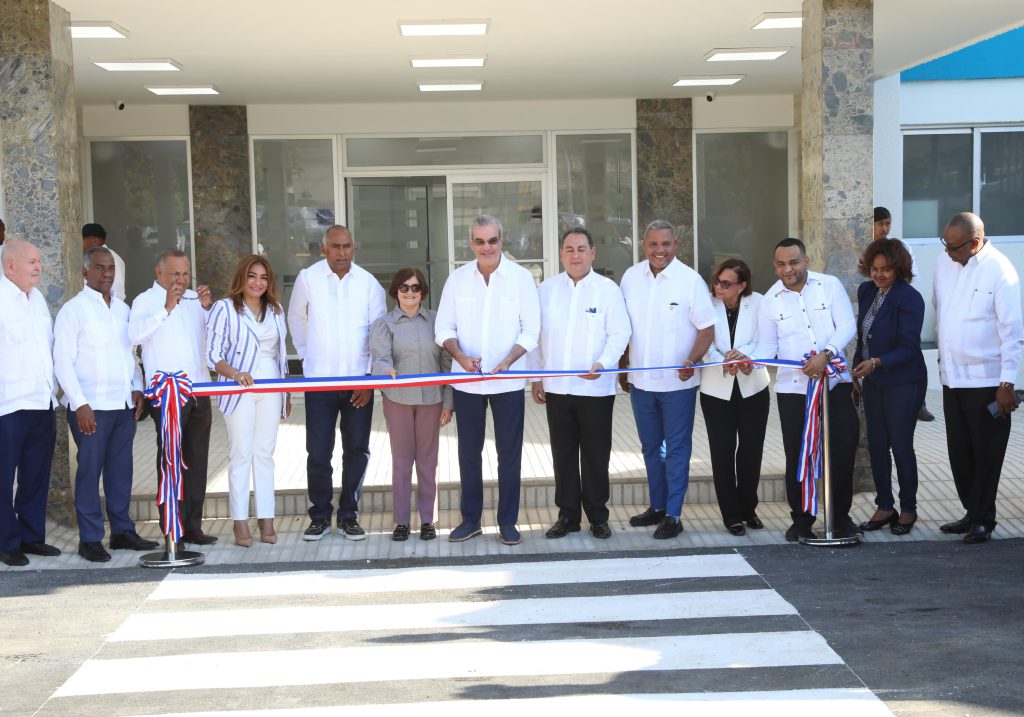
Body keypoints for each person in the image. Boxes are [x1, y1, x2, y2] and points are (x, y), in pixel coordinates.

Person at [435, 215, 541, 546]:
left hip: (507, 383)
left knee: (509, 454)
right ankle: (470, 520)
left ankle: (508, 522)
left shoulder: (521, 278)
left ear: (501, 240)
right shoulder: (457, 280)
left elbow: (531, 330)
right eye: (480, 241)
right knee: (468, 453)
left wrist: (509, 361)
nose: (487, 247)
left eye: (492, 240)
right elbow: (443, 328)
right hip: (466, 383)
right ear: (471, 243)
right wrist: (459, 356)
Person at [54, 246, 158, 562]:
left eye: (111, 268)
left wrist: (137, 388)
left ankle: (122, 532)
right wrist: (80, 404)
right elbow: (62, 362)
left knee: (120, 472)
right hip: (91, 408)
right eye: (100, 268)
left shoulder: (123, 310)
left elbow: (130, 355)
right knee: (89, 473)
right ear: (85, 272)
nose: (107, 274)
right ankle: (90, 539)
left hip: (122, 406)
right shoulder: (73, 310)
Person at [754, 237, 860, 542]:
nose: (788, 269)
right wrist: (748, 361)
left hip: (834, 384)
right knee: (798, 453)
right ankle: (802, 519)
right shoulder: (770, 300)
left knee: (842, 448)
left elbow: (847, 326)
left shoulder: (829, 285)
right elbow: (767, 346)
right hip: (793, 390)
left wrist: (826, 354)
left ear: (806, 261)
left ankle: (840, 517)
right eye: (781, 264)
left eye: (794, 262)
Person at [529, 228, 631, 540]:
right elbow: (534, 337)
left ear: (592, 253)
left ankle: (598, 516)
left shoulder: (607, 290)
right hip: (557, 388)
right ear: (561, 254)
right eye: (569, 249)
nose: (575, 255)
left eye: (581, 249)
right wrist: (536, 377)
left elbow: (620, 333)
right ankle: (568, 516)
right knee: (563, 455)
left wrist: (604, 363)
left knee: (596, 455)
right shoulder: (546, 290)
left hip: (595, 389)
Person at [619, 220, 716, 539]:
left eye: (666, 244)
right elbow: (623, 328)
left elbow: (707, 329)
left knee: (676, 449)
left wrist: (693, 360)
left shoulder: (690, 281)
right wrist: (622, 365)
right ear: (643, 245)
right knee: (650, 448)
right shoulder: (630, 278)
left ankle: (674, 514)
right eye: (653, 244)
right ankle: (658, 506)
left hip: (678, 385)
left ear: (675, 245)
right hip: (641, 383)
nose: (659, 250)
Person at [288, 225, 385, 542]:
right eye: (335, 246)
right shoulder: (308, 278)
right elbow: (296, 319)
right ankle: (319, 517)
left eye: (347, 246)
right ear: (323, 248)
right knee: (318, 452)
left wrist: (368, 379)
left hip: (359, 382)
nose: (342, 252)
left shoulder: (369, 283)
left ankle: (348, 516)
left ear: (354, 248)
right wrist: (306, 356)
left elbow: (378, 333)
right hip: (320, 382)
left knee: (357, 450)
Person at [934, 212, 1023, 544]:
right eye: (944, 243)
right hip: (952, 378)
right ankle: (972, 512)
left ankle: (984, 518)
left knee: (987, 453)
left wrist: (1007, 383)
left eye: (953, 246)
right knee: (960, 453)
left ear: (975, 243)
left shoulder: (1000, 270)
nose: (946, 251)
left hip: (987, 382)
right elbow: (940, 310)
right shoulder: (944, 264)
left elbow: (1012, 333)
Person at [128, 248, 215, 545]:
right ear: (159, 272)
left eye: (185, 273)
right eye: (175, 273)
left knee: (198, 459)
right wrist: (165, 308)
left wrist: (207, 309)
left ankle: (193, 527)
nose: (181, 279)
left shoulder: (192, 299)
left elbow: (210, 338)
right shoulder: (145, 301)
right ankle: (171, 529)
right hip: (166, 394)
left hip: (199, 389)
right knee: (170, 461)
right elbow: (134, 336)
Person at [206, 255, 290, 547]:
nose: (257, 282)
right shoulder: (224, 308)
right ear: (242, 277)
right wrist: (235, 374)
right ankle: (239, 520)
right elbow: (212, 354)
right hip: (238, 386)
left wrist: (285, 393)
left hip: (272, 385)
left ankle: (266, 517)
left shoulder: (276, 309)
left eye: (263, 277)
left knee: (264, 453)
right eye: (252, 276)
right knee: (241, 453)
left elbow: (281, 354)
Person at [370, 268, 453, 542]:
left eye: (415, 288)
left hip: (432, 400)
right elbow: (380, 358)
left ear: (423, 292)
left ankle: (428, 520)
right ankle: (402, 521)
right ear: (396, 291)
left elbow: (447, 364)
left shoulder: (437, 321)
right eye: (404, 287)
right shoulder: (384, 324)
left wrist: (449, 402)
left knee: (428, 461)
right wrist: (385, 369)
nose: (409, 292)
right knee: (402, 460)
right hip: (398, 400)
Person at [850, 239, 927, 536]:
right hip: (874, 380)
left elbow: (909, 347)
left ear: (899, 268)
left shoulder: (910, 298)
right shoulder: (866, 291)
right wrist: (857, 370)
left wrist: (877, 362)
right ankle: (884, 506)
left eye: (886, 269)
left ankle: (908, 509)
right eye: (874, 269)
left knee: (901, 445)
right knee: (877, 444)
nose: (878, 275)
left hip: (904, 381)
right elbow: (863, 336)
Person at [698, 259, 771, 536]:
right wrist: (722, 361)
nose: (719, 287)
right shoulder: (707, 303)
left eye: (726, 283)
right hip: (716, 390)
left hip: (753, 386)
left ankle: (748, 508)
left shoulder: (759, 302)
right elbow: (704, 342)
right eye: (717, 281)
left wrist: (746, 356)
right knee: (722, 451)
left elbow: (765, 339)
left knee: (751, 450)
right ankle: (731, 515)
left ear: (742, 286)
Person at [0, 239, 59, 567]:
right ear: (11, 266)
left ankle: (31, 537)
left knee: (35, 475)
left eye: (39, 261)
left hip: (40, 400)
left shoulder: (37, 299)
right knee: (2, 478)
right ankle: (6, 542)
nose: (39, 266)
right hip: (7, 405)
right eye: (32, 262)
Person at [873, 207, 932, 421]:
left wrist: (893, 285)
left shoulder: (900, 247)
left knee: (908, 348)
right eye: (880, 224)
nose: (885, 228)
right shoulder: (864, 245)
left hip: (898, 305)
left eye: (887, 223)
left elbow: (912, 275)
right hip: (875, 305)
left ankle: (919, 403)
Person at [82, 223, 126, 302]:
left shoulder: (112, 258)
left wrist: (109, 307)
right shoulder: (91, 257)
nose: (80, 245)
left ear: (95, 241)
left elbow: (118, 292)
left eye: (82, 240)